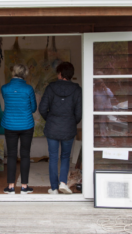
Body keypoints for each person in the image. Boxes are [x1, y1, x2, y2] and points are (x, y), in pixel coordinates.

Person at [39, 62, 82, 195]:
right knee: (65, 156)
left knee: (53, 157)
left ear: (60, 74)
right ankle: (63, 183)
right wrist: (71, 122)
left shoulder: (51, 87)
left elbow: (42, 109)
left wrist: (51, 119)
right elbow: (79, 113)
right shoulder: (77, 89)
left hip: (52, 127)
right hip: (68, 127)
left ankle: (53, 188)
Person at [2, 64, 37, 195]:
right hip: (26, 124)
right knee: (25, 155)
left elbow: (9, 103)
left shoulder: (4, 88)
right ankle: (24, 187)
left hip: (9, 125)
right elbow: (33, 108)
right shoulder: (28, 89)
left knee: (11, 155)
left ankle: (10, 187)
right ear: (25, 74)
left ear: (13, 73)